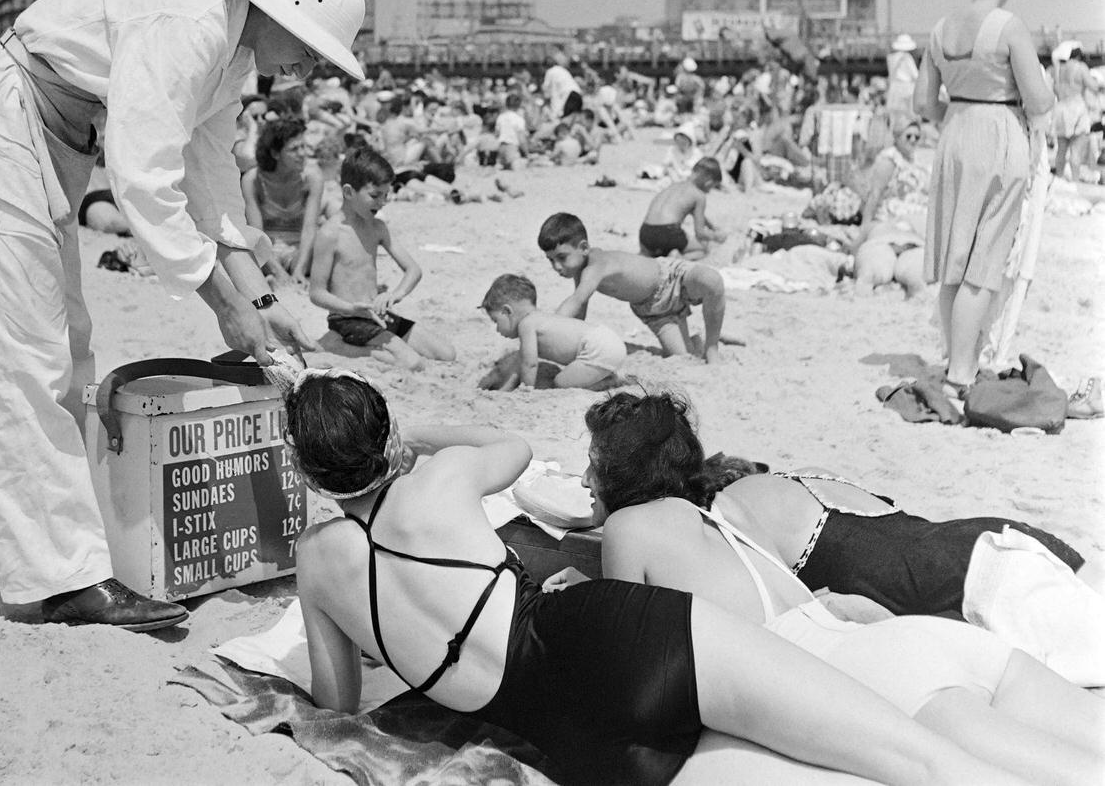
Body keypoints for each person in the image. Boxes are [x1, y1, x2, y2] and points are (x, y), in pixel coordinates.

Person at [283, 367, 1021, 786]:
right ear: (385, 436)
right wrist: (416, 437)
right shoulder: (439, 481)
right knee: (914, 760)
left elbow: (335, 704)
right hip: (610, 636)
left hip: (570, 734)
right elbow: (512, 444)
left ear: (310, 473)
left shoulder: (316, 563)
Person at [0, 0, 363, 632]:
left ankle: (68, 546)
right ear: (278, 14)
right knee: (25, 359)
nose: (310, 71)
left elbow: (210, 186)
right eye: (309, 52)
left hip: (54, 138)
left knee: (67, 347)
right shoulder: (190, 25)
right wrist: (224, 305)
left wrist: (267, 304)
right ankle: (62, 581)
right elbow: (145, 180)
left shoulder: (235, 61)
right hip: (5, 126)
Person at [574, 391, 1102, 786]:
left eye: (593, 465)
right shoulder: (729, 513)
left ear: (619, 472)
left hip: (859, 675)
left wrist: (585, 599)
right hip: (916, 639)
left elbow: (633, 668)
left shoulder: (628, 528)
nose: (582, 481)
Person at [913, 0, 1053, 396]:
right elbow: (1038, 98)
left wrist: (960, 113)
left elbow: (923, 103)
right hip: (998, 135)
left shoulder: (940, 29)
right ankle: (961, 373)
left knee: (956, 255)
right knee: (984, 260)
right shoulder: (1009, 26)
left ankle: (957, 359)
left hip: (955, 133)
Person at [308, 145, 455, 369]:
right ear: (348, 192)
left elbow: (413, 270)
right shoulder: (330, 234)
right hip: (347, 319)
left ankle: (357, 347)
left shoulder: (377, 228)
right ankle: (334, 344)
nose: (382, 202)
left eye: (386, 195)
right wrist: (349, 308)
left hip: (378, 316)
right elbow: (317, 293)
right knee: (413, 363)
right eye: (375, 195)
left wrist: (394, 295)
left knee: (446, 354)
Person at [538, 211, 726, 362]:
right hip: (655, 311)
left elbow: (576, 300)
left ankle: (712, 347)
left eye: (562, 257)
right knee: (683, 357)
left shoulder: (596, 265)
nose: (556, 267)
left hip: (670, 278)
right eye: (550, 260)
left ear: (584, 248)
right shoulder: (582, 275)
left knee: (712, 280)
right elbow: (579, 310)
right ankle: (707, 333)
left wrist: (547, 327)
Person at [478, 272, 627, 391]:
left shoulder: (526, 324)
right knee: (572, 375)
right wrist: (505, 390)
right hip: (604, 338)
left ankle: (610, 382)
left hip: (597, 347)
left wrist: (526, 390)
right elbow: (520, 365)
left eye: (496, 321)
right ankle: (606, 375)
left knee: (560, 382)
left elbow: (529, 364)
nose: (497, 329)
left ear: (506, 311)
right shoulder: (540, 319)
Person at [849, 114, 928, 298]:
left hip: (914, 227)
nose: (913, 141)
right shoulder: (889, 159)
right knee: (875, 265)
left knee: (915, 268)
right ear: (897, 136)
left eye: (917, 137)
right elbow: (875, 194)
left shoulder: (913, 160)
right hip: (890, 221)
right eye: (908, 136)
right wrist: (865, 228)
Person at [241, 117, 324, 286]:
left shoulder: (312, 177)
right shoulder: (253, 180)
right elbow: (256, 233)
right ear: (275, 153)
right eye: (294, 149)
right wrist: (276, 270)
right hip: (265, 250)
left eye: (303, 147)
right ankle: (271, 275)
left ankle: (283, 273)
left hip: (299, 249)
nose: (302, 154)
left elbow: (310, 228)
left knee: (329, 245)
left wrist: (299, 269)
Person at [638, 158, 726, 261]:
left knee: (653, 251)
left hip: (645, 233)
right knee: (702, 250)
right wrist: (716, 237)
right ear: (708, 182)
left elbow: (696, 214)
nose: (710, 191)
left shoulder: (673, 186)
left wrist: (712, 226)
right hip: (667, 233)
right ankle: (676, 259)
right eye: (712, 186)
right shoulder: (699, 195)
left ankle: (649, 254)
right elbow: (700, 233)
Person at [1051, 45, 1100, 181]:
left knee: (1061, 151)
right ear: (1079, 56)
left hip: (1060, 109)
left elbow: (1054, 88)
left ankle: (1059, 180)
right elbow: (1093, 86)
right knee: (1075, 152)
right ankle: (1075, 182)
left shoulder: (1059, 69)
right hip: (1076, 109)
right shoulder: (1080, 67)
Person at [883, 34, 919, 120]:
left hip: (894, 89)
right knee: (909, 117)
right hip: (907, 89)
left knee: (895, 118)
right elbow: (915, 75)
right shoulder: (907, 57)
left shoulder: (890, 58)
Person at [540, 50, 582, 120]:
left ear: (545, 66)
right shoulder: (562, 70)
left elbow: (547, 91)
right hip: (578, 95)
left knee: (563, 120)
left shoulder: (550, 71)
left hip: (569, 96)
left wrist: (554, 113)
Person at [493, 92, 528, 170]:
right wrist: (526, 153)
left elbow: (496, 134)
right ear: (519, 105)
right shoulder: (519, 119)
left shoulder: (500, 117)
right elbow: (521, 139)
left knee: (501, 166)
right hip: (512, 147)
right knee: (518, 165)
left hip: (501, 147)